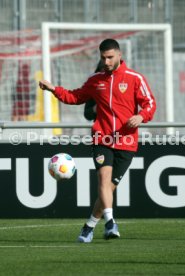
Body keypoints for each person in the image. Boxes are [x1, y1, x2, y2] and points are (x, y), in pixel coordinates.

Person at [39, 38, 156, 243]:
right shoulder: (96, 80)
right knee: (103, 179)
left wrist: (141, 116)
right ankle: (111, 223)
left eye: (110, 57)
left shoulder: (135, 78)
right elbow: (74, 97)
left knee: (108, 189)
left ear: (119, 55)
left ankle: (88, 227)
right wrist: (52, 88)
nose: (107, 62)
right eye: (103, 58)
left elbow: (150, 103)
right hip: (102, 137)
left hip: (127, 142)